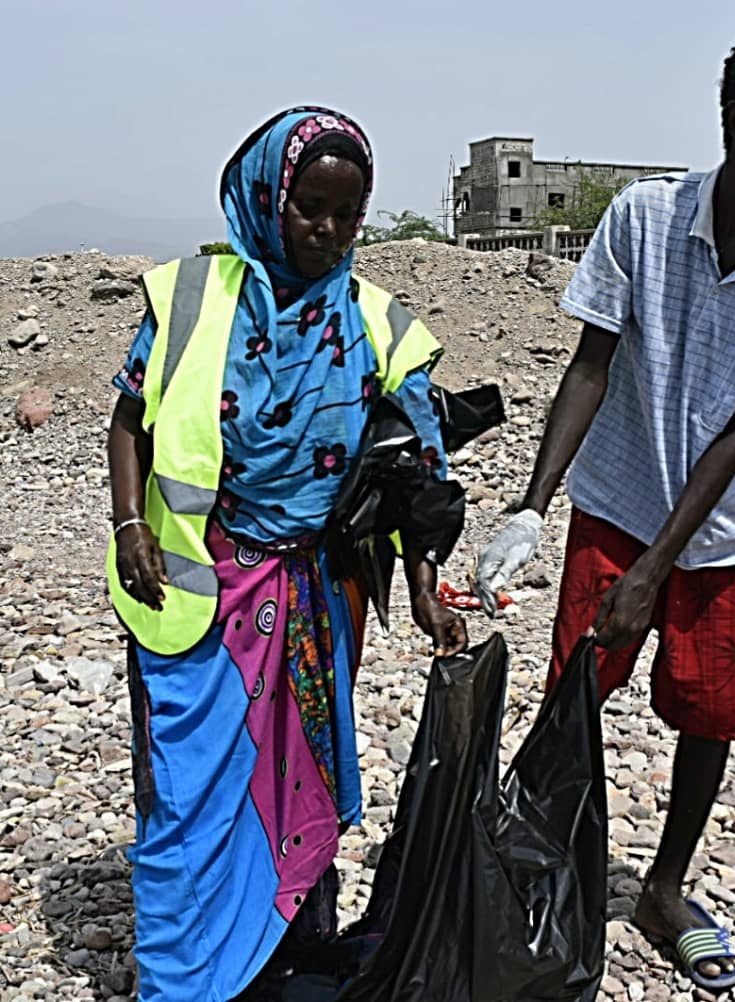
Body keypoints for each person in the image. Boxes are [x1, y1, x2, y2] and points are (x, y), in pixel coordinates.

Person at [475, 15, 735, 990]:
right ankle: (529, 865)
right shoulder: (644, 219)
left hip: (727, 532)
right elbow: (590, 366)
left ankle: (664, 887)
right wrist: (532, 506)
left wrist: (656, 570)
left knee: (711, 715)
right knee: (576, 686)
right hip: (616, 503)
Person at [106, 106, 467, 1002]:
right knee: (189, 788)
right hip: (195, 590)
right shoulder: (194, 301)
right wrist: (129, 524)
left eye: (348, 214)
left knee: (294, 774)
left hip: (316, 593)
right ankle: (186, 975)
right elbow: (129, 418)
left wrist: (426, 587)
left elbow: (417, 475)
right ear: (269, 198)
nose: (328, 230)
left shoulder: (375, 325)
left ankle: (282, 948)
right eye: (311, 208)